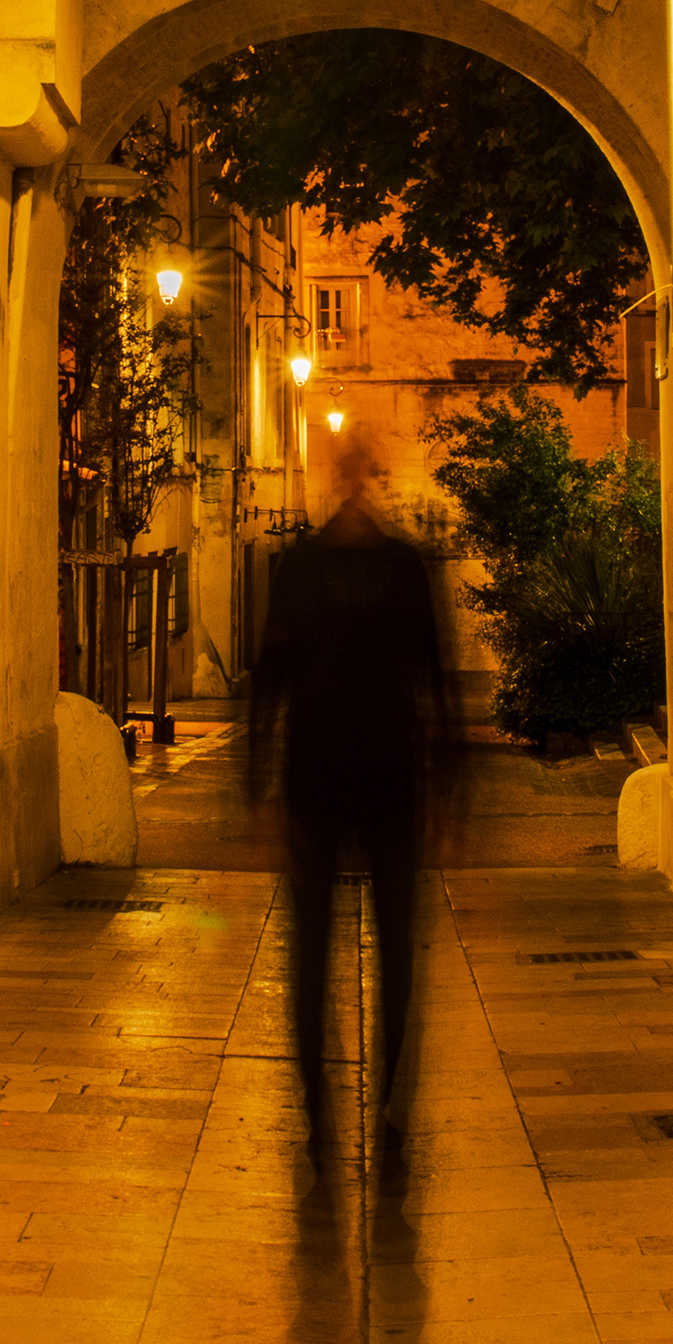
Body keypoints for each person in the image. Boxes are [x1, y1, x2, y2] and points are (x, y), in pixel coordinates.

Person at [249, 429, 453, 1163]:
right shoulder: (377, 567)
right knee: (332, 955)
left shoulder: (344, 567)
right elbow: (271, 677)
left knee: (369, 953)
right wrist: (256, 781)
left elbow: (434, 676)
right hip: (342, 777)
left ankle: (374, 1111)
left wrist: (450, 785)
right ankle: (331, 1113)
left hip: (360, 776)